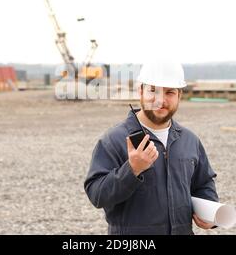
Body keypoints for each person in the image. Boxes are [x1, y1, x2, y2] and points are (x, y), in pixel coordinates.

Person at [84, 62, 219, 235]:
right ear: (141, 91)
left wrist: (209, 213)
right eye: (153, 90)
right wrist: (131, 170)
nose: (160, 100)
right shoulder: (114, 140)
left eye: (169, 92)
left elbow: (204, 183)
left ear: (180, 95)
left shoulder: (189, 140)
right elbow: (97, 195)